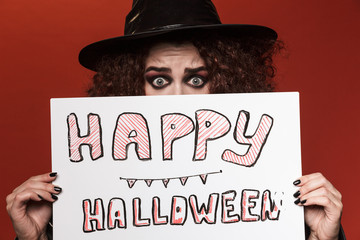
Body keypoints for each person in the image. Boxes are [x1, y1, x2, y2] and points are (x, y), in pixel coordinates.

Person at [6, 0, 344, 239]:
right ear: (128, 87)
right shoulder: (81, 204)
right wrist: (34, 239)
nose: (178, 99)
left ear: (225, 83)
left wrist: (321, 238)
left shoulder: (272, 199)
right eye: (158, 80)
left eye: (197, 79)